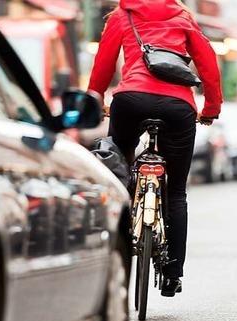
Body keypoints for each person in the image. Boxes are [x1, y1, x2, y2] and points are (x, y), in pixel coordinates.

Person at [88, 0, 223, 297]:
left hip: (130, 100)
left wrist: (96, 99)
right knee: (175, 192)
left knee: (118, 172)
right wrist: (211, 107)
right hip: (178, 106)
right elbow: (207, 62)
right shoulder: (183, 16)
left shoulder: (123, 15)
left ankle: (118, 255)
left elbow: (104, 62)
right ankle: (173, 274)